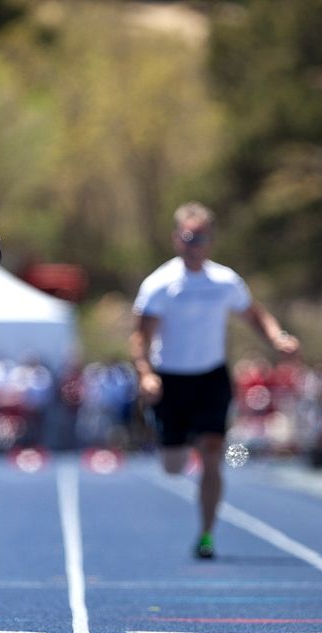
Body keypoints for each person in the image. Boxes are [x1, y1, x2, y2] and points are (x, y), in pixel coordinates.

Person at [130, 201, 299, 559]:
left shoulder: (225, 281)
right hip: (170, 380)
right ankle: (176, 439)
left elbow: (254, 314)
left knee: (212, 455)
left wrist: (276, 337)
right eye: (189, 238)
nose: (195, 245)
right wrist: (145, 375)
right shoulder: (160, 284)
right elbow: (140, 337)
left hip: (211, 377)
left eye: (202, 238)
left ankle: (206, 535)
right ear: (178, 239)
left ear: (211, 241)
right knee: (173, 467)